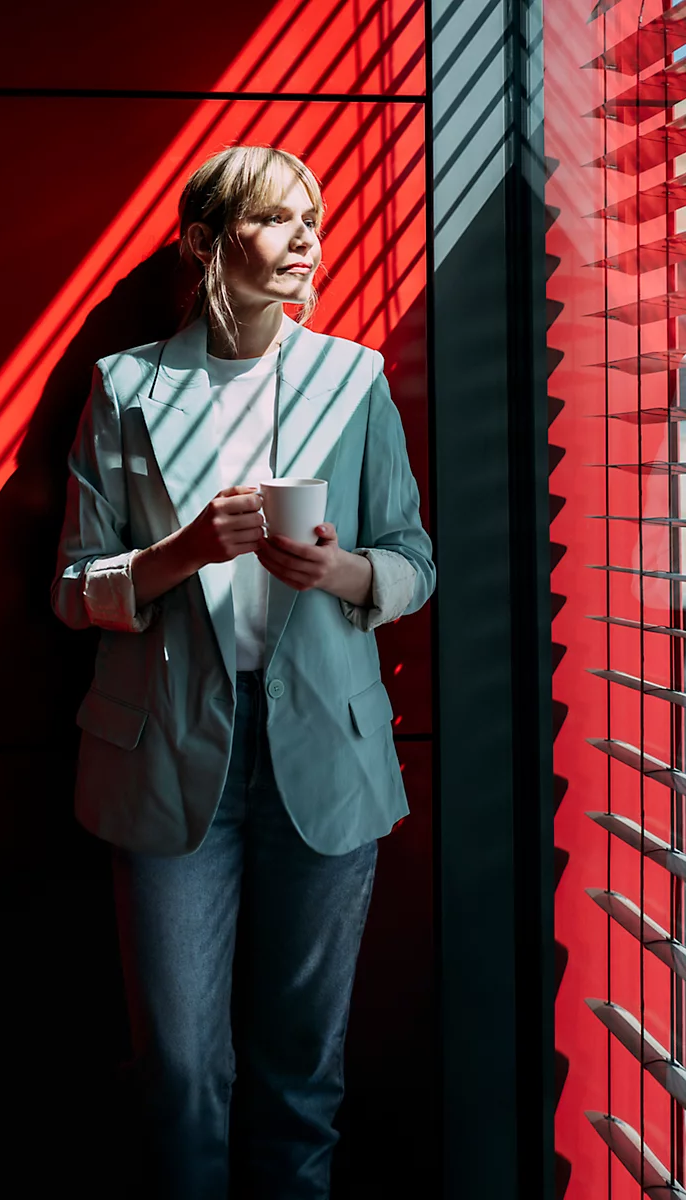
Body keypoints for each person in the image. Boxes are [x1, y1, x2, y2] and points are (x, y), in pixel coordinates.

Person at [50, 144, 435, 1199]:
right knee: (181, 1072)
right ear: (206, 241)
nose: (306, 235)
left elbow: (414, 559)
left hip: (326, 750)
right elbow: (74, 589)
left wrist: (343, 568)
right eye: (275, 218)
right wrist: (182, 555)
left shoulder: (352, 381)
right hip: (169, 755)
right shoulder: (125, 387)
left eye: (312, 215)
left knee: (303, 1074)